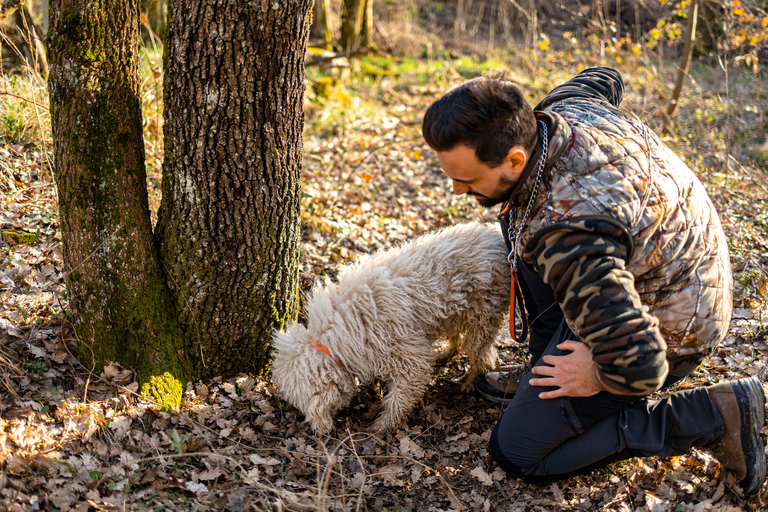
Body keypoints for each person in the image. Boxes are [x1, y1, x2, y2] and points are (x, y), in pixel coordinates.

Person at [421, 67, 767, 494]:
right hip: (669, 260)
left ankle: (716, 414)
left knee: (517, 451)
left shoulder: (569, 237)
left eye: (466, 180)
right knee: (516, 215)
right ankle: (545, 363)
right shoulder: (561, 110)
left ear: (515, 158)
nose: (456, 190)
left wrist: (599, 374)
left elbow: (640, 364)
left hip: (673, 327)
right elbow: (604, 76)